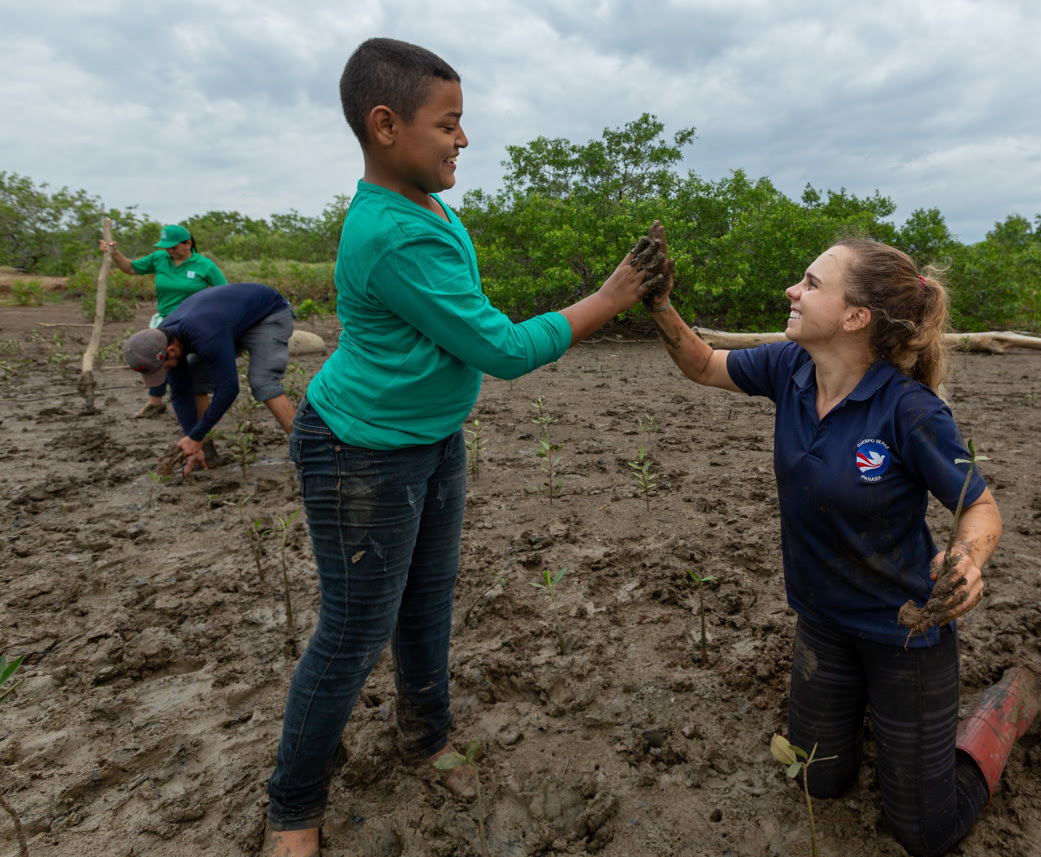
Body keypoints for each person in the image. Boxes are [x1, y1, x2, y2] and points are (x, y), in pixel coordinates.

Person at [262, 39, 652, 857]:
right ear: (384, 124)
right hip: (359, 454)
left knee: (427, 597)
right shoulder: (394, 234)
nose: (463, 140)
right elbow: (502, 349)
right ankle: (292, 810)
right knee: (352, 632)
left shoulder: (432, 210)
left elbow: (463, 318)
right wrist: (612, 297)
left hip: (430, 442)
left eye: (462, 122)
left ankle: (426, 736)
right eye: (448, 124)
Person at [643, 233, 1041, 857]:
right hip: (822, 623)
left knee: (924, 832)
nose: (792, 291)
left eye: (810, 283)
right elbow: (701, 362)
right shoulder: (788, 368)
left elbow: (980, 507)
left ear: (855, 317)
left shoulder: (909, 411)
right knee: (817, 780)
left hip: (905, 632)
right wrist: (659, 302)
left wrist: (967, 559)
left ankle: (1005, 707)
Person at [122, 281, 296, 475]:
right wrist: (192, 438)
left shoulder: (204, 335)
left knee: (262, 381)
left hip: (268, 313)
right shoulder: (163, 338)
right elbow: (179, 393)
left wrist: (196, 435)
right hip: (228, 321)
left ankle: (307, 449)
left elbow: (228, 389)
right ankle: (206, 453)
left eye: (164, 367)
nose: (166, 370)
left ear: (171, 350)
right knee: (195, 379)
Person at [101, 224, 228, 417]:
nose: (169, 250)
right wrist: (115, 252)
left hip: (195, 322)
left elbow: (225, 293)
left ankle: (204, 407)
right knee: (158, 358)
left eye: (174, 246)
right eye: (166, 246)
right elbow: (130, 268)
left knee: (193, 363)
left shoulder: (205, 265)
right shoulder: (159, 258)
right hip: (166, 321)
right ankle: (155, 402)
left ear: (188, 243)